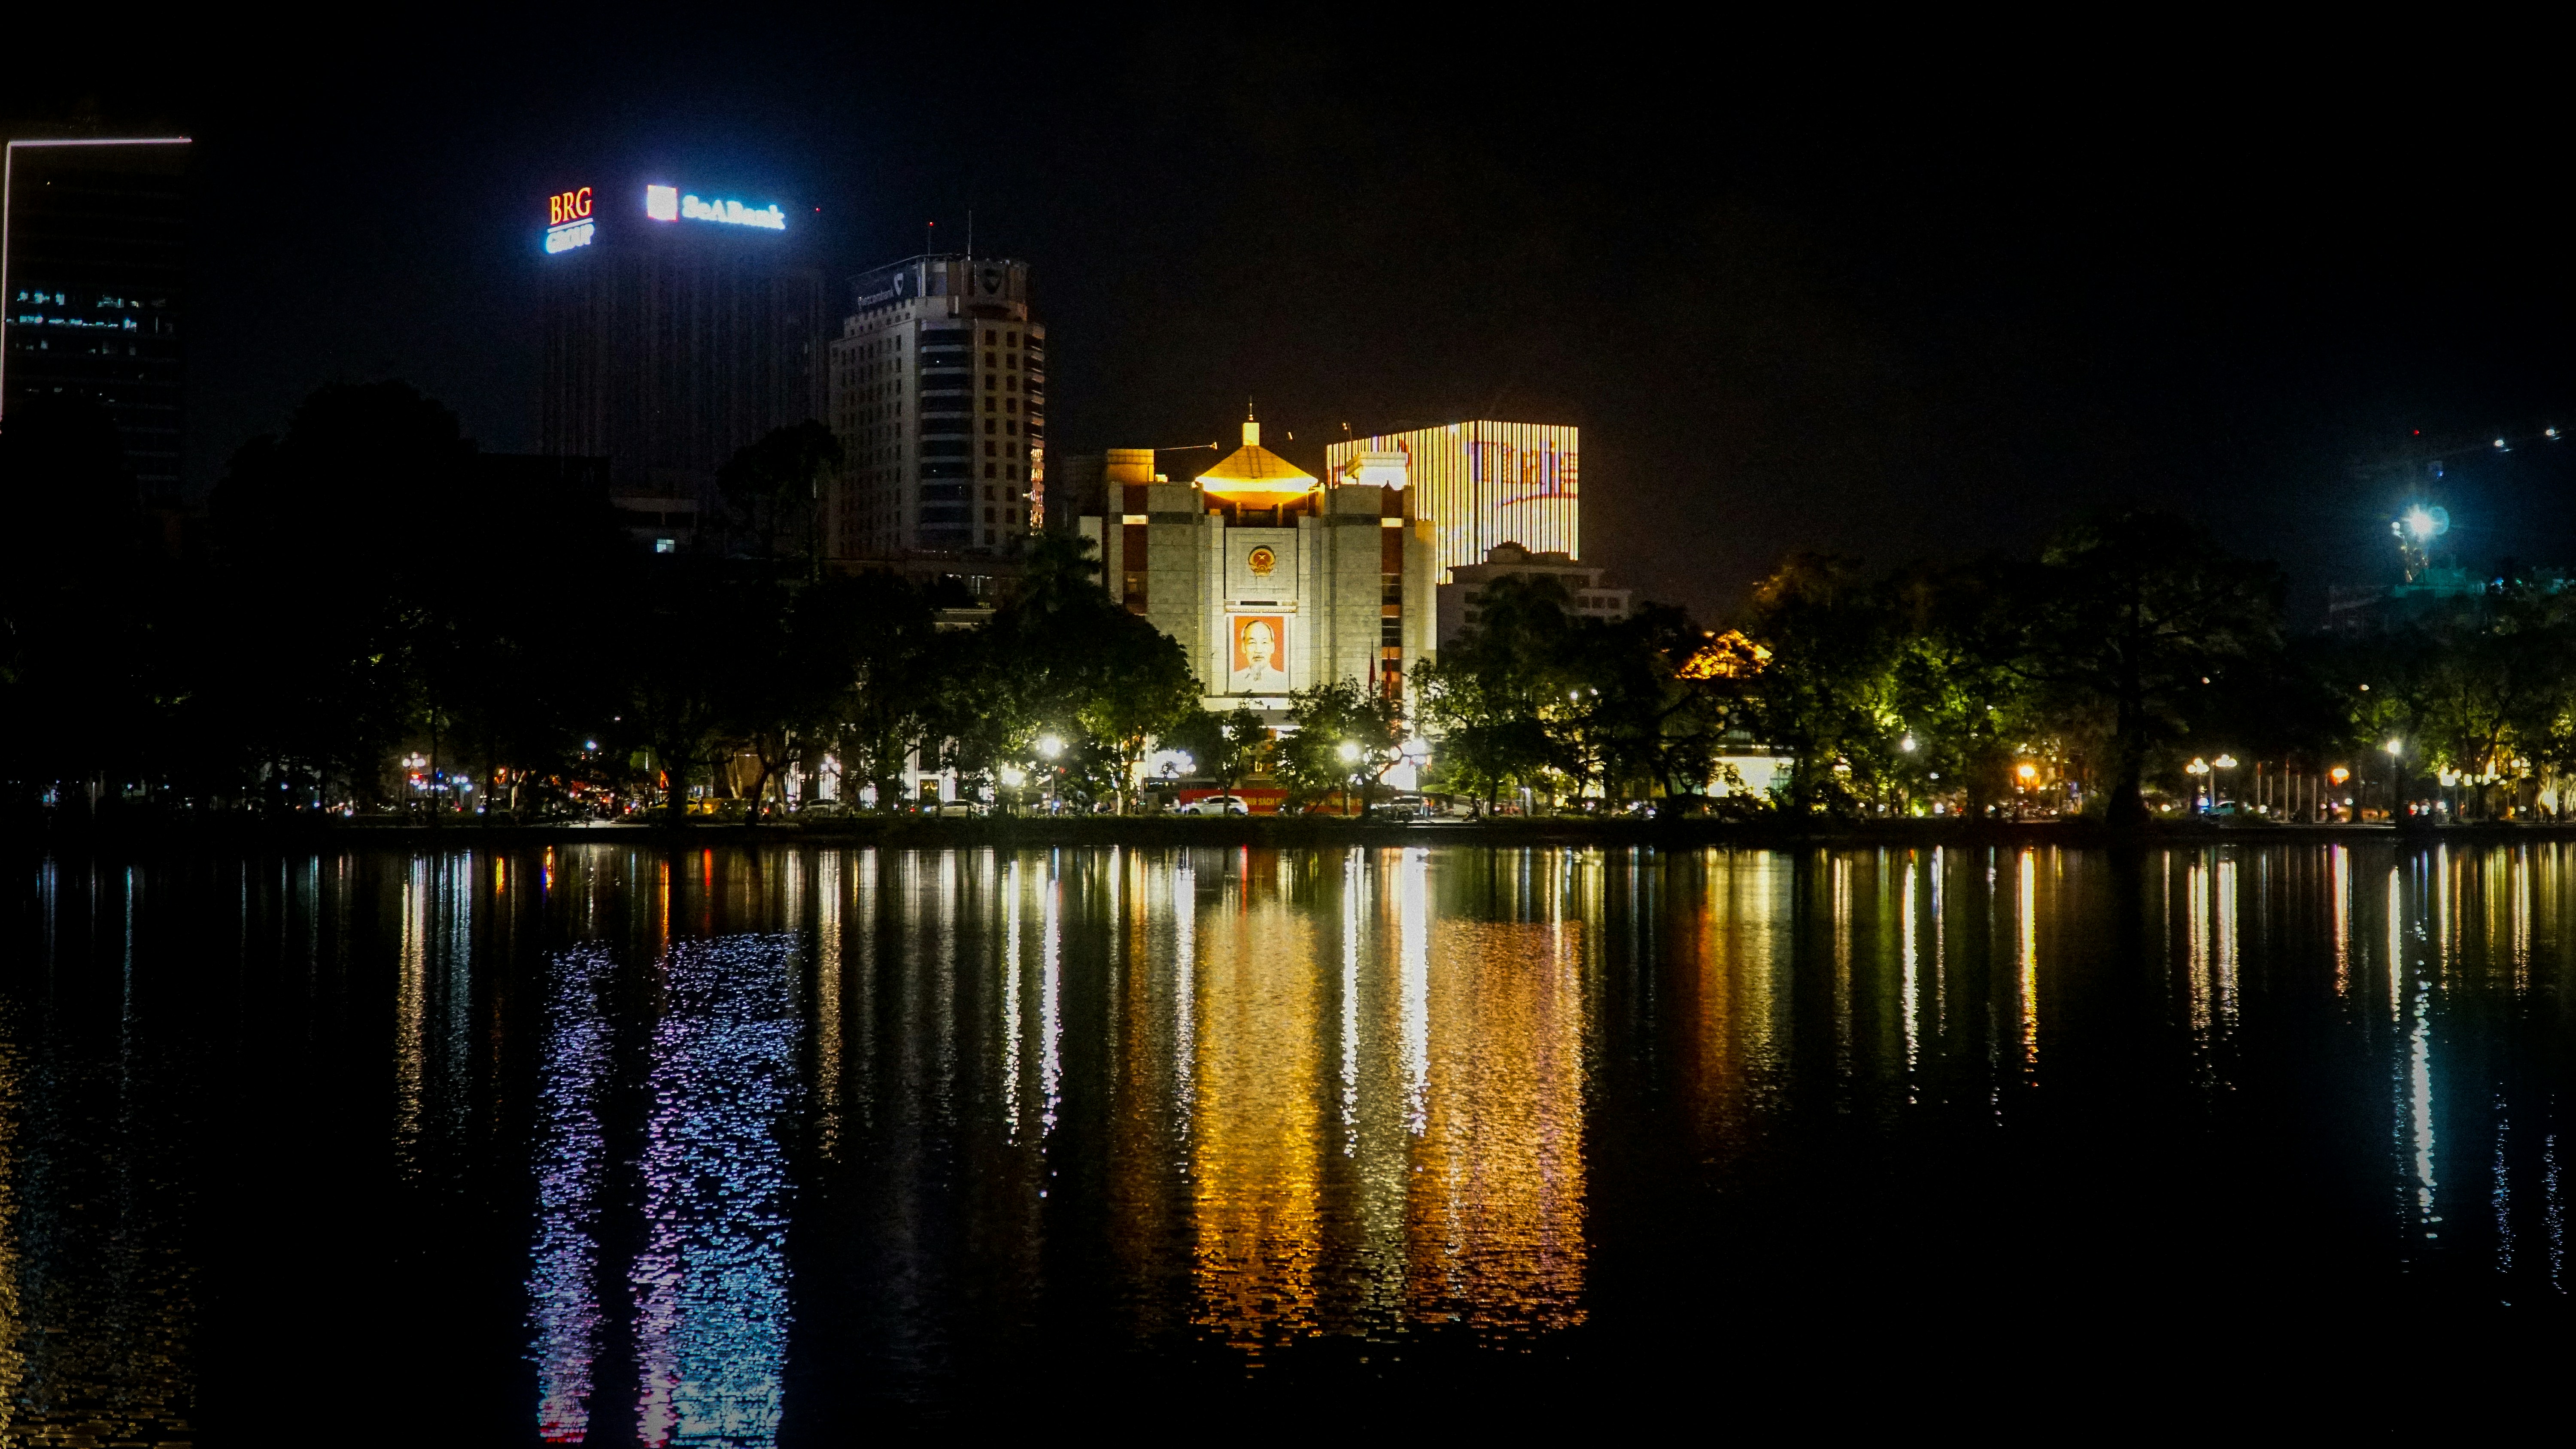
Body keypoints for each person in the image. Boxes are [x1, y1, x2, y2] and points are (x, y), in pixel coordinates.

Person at [1229, 618, 1289, 692]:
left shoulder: (1284, 680)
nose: (1258, 651)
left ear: (1273, 647)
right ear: (1244, 647)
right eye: (1252, 643)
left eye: (1264, 643)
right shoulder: (1235, 680)